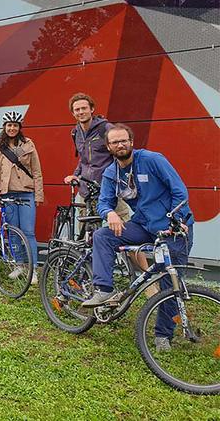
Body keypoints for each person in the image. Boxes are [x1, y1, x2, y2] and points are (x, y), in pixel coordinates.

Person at [82, 124, 193, 352]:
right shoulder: (111, 173)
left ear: (131, 142)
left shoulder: (152, 159)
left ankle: (163, 336)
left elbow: (179, 191)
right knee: (104, 236)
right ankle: (104, 289)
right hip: (143, 225)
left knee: (169, 282)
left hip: (173, 229)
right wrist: (109, 212)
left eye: (124, 141)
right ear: (109, 146)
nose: (120, 145)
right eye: (115, 142)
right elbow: (104, 202)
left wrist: (177, 219)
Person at [62, 93, 144, 272]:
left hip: (110, 189)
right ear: (73, 113)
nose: (81, 112)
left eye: (84, 108)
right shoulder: (76, 132)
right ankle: (88, 274)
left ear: (92, 109)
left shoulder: (106, 129)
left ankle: (148, 281)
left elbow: (121, 155)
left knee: (128, 231)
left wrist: (117, 179)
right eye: (77, 109)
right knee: (85, 234)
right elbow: (83, 160)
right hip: (86, 189)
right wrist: (76, 175)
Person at [0, 112, 44, 284]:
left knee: (28, 232)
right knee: (12, 232)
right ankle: (19, 265)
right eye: (9, 125)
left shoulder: (28, 145)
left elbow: (37, 172)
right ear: (4, 127)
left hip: (26, 193)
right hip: (7, 194)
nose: (12, 128)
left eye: (15, 125)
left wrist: (38, 195)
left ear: (20, 127)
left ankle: (32, 268)